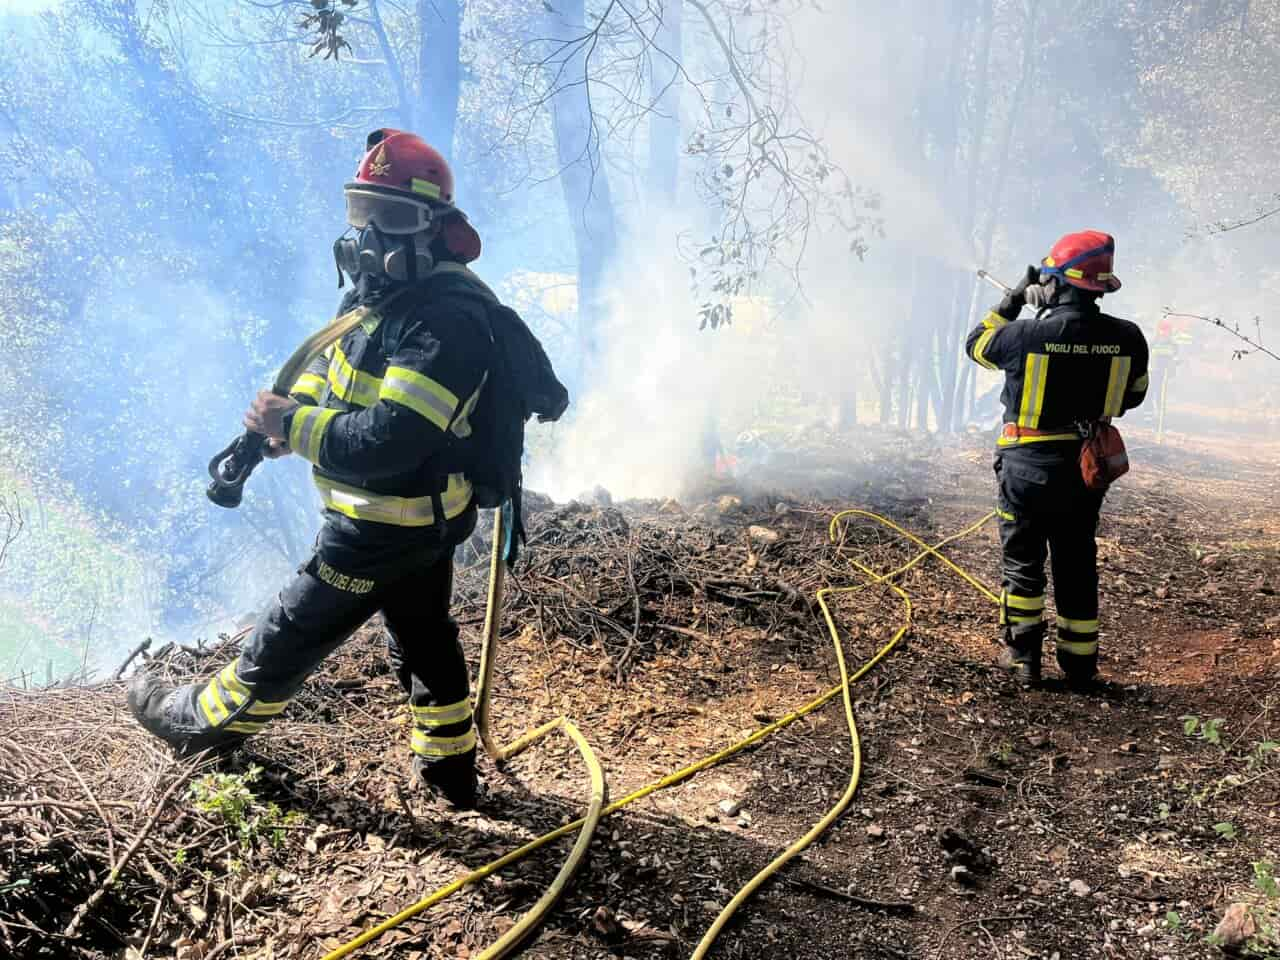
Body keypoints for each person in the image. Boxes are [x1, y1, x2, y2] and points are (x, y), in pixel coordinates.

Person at [129, 129, 503, 809]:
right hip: (417, 521)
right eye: (360, 214)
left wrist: (292, 428)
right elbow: (332, 377)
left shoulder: (448, 323)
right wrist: (288, 421)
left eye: (387, 219)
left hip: (379, 526)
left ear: (437, 230)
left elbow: (391, 439)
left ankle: (195, 725)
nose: (365, 236)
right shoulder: (375, 298)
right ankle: (451, 772)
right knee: (424, 642)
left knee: (289, 632)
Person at [965, 231, 1149, 687]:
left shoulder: (1024, 334)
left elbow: (976, 344)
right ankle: (1080, 665)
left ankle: (1024, 659)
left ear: (1056, 284)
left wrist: (1013, 298)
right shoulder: (1128, 337)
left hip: (1026, 467)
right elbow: (1135, 397)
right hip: (1087, 471)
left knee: (1024, 560)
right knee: (1076, 559)